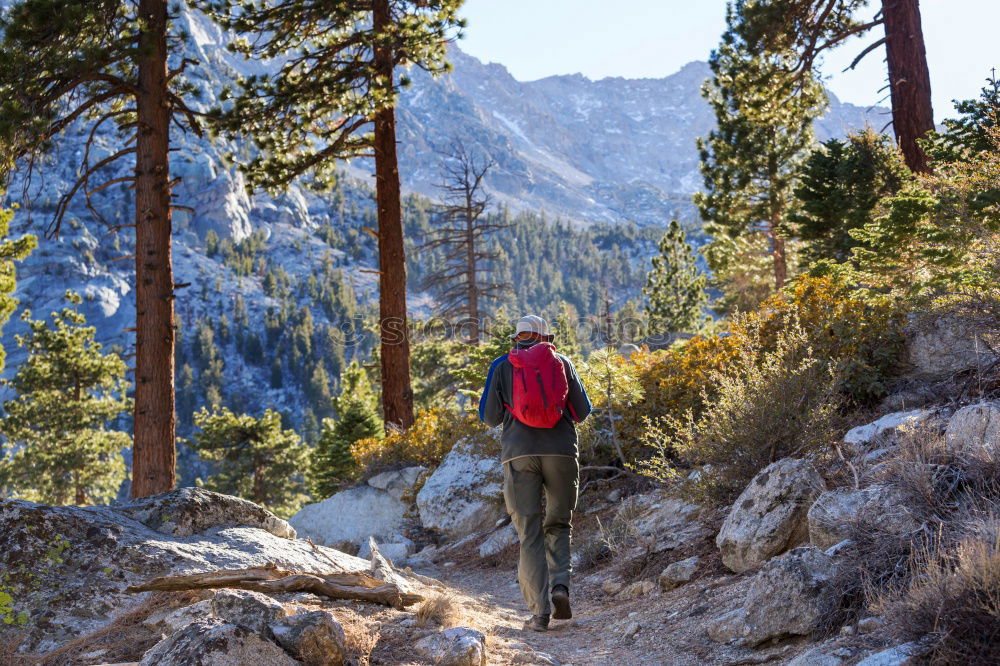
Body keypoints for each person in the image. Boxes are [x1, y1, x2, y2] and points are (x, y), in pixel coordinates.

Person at [479, 314, 592, 632]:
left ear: (517, 338)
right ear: (545, 337)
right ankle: (560, 588)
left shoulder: (502, 365)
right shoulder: (562, 362)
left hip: (519, 455)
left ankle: (540, 614)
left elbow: (489, 418)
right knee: (558, 524)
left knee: (529, 533)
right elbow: (582, 411)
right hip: (561, 452)